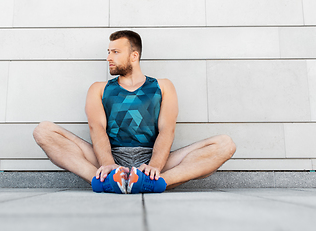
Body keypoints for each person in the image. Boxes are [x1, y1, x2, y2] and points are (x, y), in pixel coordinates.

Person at [33, 30, 236, 194]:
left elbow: (167, 130)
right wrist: (109, 164)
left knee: (225, 144)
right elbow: (97, 129)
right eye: (108, 51)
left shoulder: (163, 86)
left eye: (115, 52)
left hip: (153, 159)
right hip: (110, 158)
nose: (108, 58)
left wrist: (154, 166)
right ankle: (105, 180)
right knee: (44, 131)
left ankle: (155, 181)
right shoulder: (99, 89)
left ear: (134, 55)